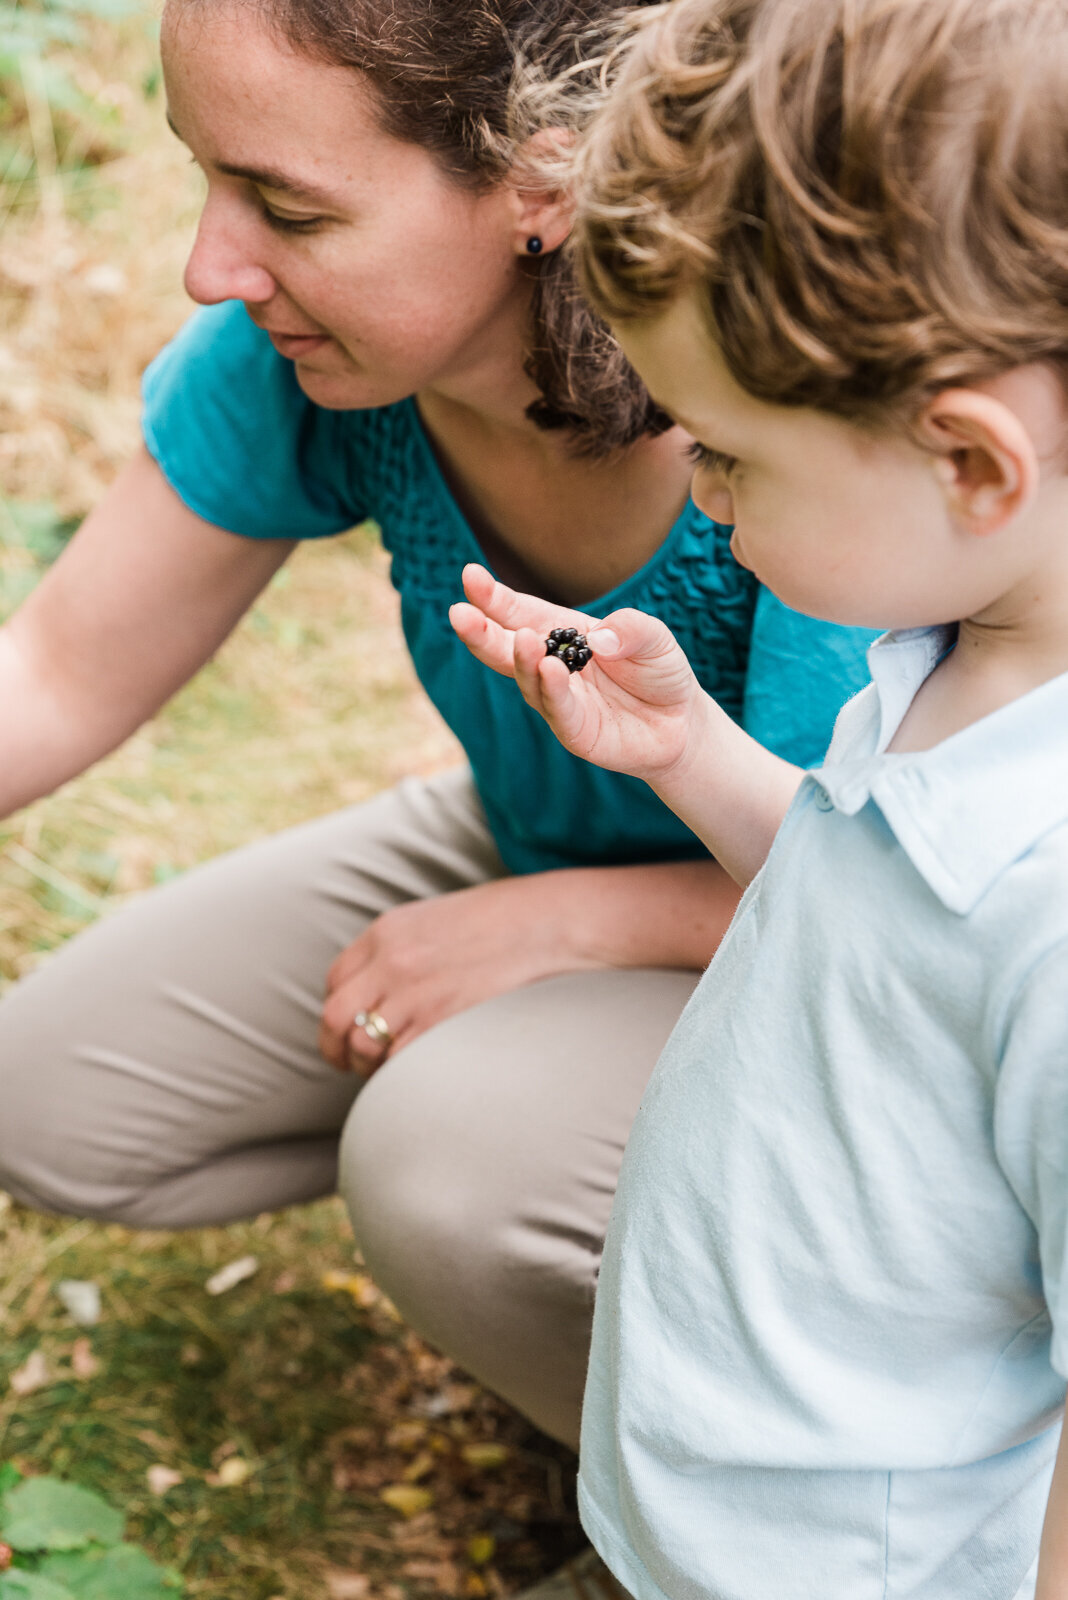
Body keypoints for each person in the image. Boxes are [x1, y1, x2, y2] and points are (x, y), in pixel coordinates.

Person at [0, 0, 875, 1457]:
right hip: (536, 837)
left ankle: (773, 1510)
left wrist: (567, 927)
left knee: (445, 1170)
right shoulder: (317, 359)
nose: (210, 267)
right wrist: (535, 906)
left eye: (285, 205)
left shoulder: (786, 415)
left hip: (833, 954)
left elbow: (893, 890)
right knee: (52, 1098)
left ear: (546, 177)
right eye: (206, 179)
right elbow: (62, 669)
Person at [451, 0, 1068, 1592]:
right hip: (706, 1528)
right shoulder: (953, 654)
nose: (702, 505)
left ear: (974, 464)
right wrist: (696, 759)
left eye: (729, 457)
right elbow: (867, 931)